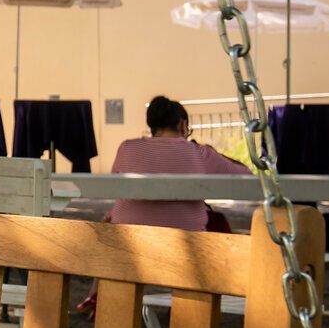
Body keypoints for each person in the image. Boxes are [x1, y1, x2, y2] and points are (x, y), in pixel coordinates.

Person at [104, 95, 248, 231]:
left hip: (127, 237)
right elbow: (246, 175)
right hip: (188, 238)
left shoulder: (127, 148)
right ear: (182, 124)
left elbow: (115, 186)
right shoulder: (199, 153)